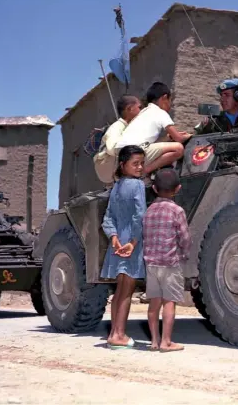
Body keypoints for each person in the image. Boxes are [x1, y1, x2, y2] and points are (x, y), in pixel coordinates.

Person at [100, 145, 147, 349]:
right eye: (135, 164)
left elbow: (108, 217)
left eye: (142, 164)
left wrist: (114, 238)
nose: (139, 168)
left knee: (119, 291)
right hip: (131, 244)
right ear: (123, 164)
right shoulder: (137, 186)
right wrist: (133, 243)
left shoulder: (116, 187)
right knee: (127, 291)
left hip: (118, 242)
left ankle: (113, 334)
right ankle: (119, 334)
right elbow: (140, 216)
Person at [143, 168, 191, 353]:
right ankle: (167, 342)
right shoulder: (177, 210)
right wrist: (185, 253)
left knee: (154, 303)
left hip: (151, 264)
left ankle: (154, 341)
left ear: (154, 188)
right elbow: (184, 237)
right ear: (178, 188)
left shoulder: (149, 211)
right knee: (169, 302)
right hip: (171, 263)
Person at [116, 82, 192, 176]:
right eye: (170, 100)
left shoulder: (143, 112)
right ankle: (144, 171)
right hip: (133, 152)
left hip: (120, 155)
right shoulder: (160, 112)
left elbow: (148, 144)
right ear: (164, 98)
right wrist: (190, 135)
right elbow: (179, 138)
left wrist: (167, 138)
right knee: (178, 148)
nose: (170, 105)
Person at [94, 95, 142, 185]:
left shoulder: (128, 127)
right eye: (139, 107)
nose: (141, 111)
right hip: (107, 167)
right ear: (130, 109)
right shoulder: (116, 127)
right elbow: (113, 149)